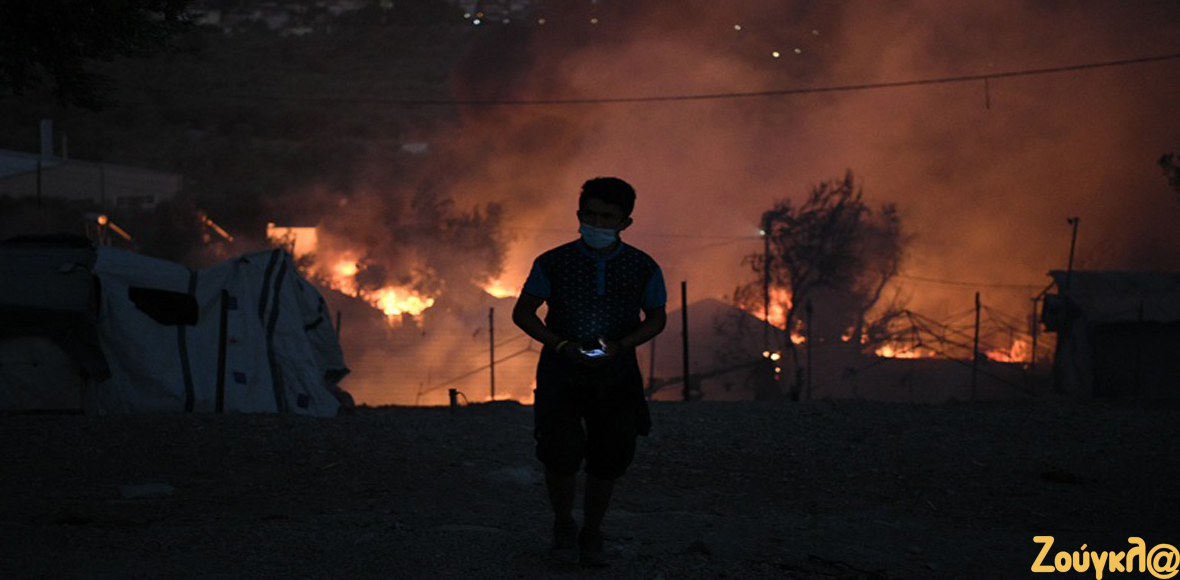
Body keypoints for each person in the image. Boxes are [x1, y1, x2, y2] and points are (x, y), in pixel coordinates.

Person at [512, 176, 667, 567]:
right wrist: (561, 345)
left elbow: (656, 318)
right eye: (589, 214)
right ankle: (563, 526)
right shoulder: (552, 262)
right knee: (559, 451)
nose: (596, 223)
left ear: (625, 222)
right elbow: (524, 313)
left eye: (606, 216)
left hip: (616, 376)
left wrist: (621, 346)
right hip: (561, 373)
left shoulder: (643, 267)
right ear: (579, 214)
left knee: (609, 454)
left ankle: (592, 531)